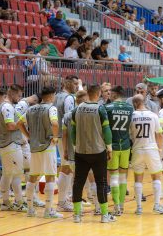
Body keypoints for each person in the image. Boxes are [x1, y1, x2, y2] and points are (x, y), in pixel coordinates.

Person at [71, 84, 116, 223]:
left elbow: (73, 132)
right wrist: (109, 148)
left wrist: (75, 146)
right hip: (98, 151)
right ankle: (104, 215)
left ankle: (77, 215)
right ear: (98, 94)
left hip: (80, 151)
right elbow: (107, 131)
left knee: (78, 183)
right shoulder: (100, 109)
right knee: (101, 183)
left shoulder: (77, 109)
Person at [17, 86, 63, 218]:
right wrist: (55, 137)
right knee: (50, 176)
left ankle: (30, 209)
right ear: (51, 96)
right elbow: (55, 123)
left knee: (32, 177)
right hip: (48, 146)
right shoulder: (51, 108)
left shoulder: (30, 109)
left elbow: (19, 123)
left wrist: (28, 136)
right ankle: (48, 211)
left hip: (34, 147)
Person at [130, 94, 163, 215]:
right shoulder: (153, 115)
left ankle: (139, 207)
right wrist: (160, 149)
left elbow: (129, 134)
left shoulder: (132, 116)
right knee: (156, 177)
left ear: (135, 104)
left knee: (138, 178)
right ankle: (156, 205)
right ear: (144, 102)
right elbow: (159, 134)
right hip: (151, 149)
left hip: (137, 149)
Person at [0, 85, 27, 212]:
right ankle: (19, 203)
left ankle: (5, 202)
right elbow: (10, 126)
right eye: (19, 95)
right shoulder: (8, 106)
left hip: (6, 145)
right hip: (11, 144)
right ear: (12, 94)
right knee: (16, 174)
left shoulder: (5, 106)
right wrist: (21, 123)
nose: (19, 98)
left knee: (7, 174)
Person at [105, 86, 134, 216]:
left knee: (113, 177)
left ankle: (116, 206)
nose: (108, 95)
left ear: (115, 94)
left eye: (110, 93)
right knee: (123, 177)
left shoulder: (108, 108)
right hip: (126, 145)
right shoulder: (130, 108)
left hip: (113, 146)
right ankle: (121, 206)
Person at [54, 75, 79, 212]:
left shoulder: (57, 96)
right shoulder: (69, 98)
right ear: (67, 83)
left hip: (59, 134)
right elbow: (69, 119)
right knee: (67, 168)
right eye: (74, 83)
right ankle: (62, 201)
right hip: (66, 135)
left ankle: (65, 198)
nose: (76, 86)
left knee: (66, 167)